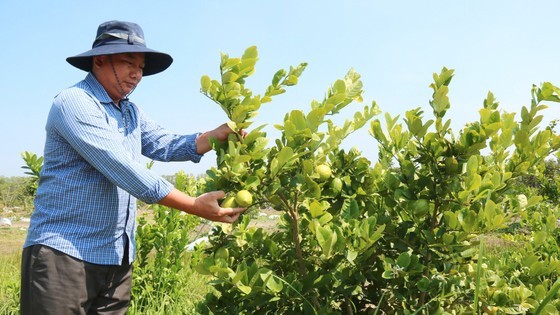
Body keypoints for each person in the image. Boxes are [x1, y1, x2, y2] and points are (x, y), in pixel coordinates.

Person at [20, 20, 245, 314]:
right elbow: (123, 168)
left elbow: (165, 144)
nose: (137, 74)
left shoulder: (130, 110)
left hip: (116, 259)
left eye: (140, 67)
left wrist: (214, 136)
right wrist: (193, 205)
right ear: (100, 60)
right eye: (129, 63)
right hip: (65, 254)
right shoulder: (74, 103)